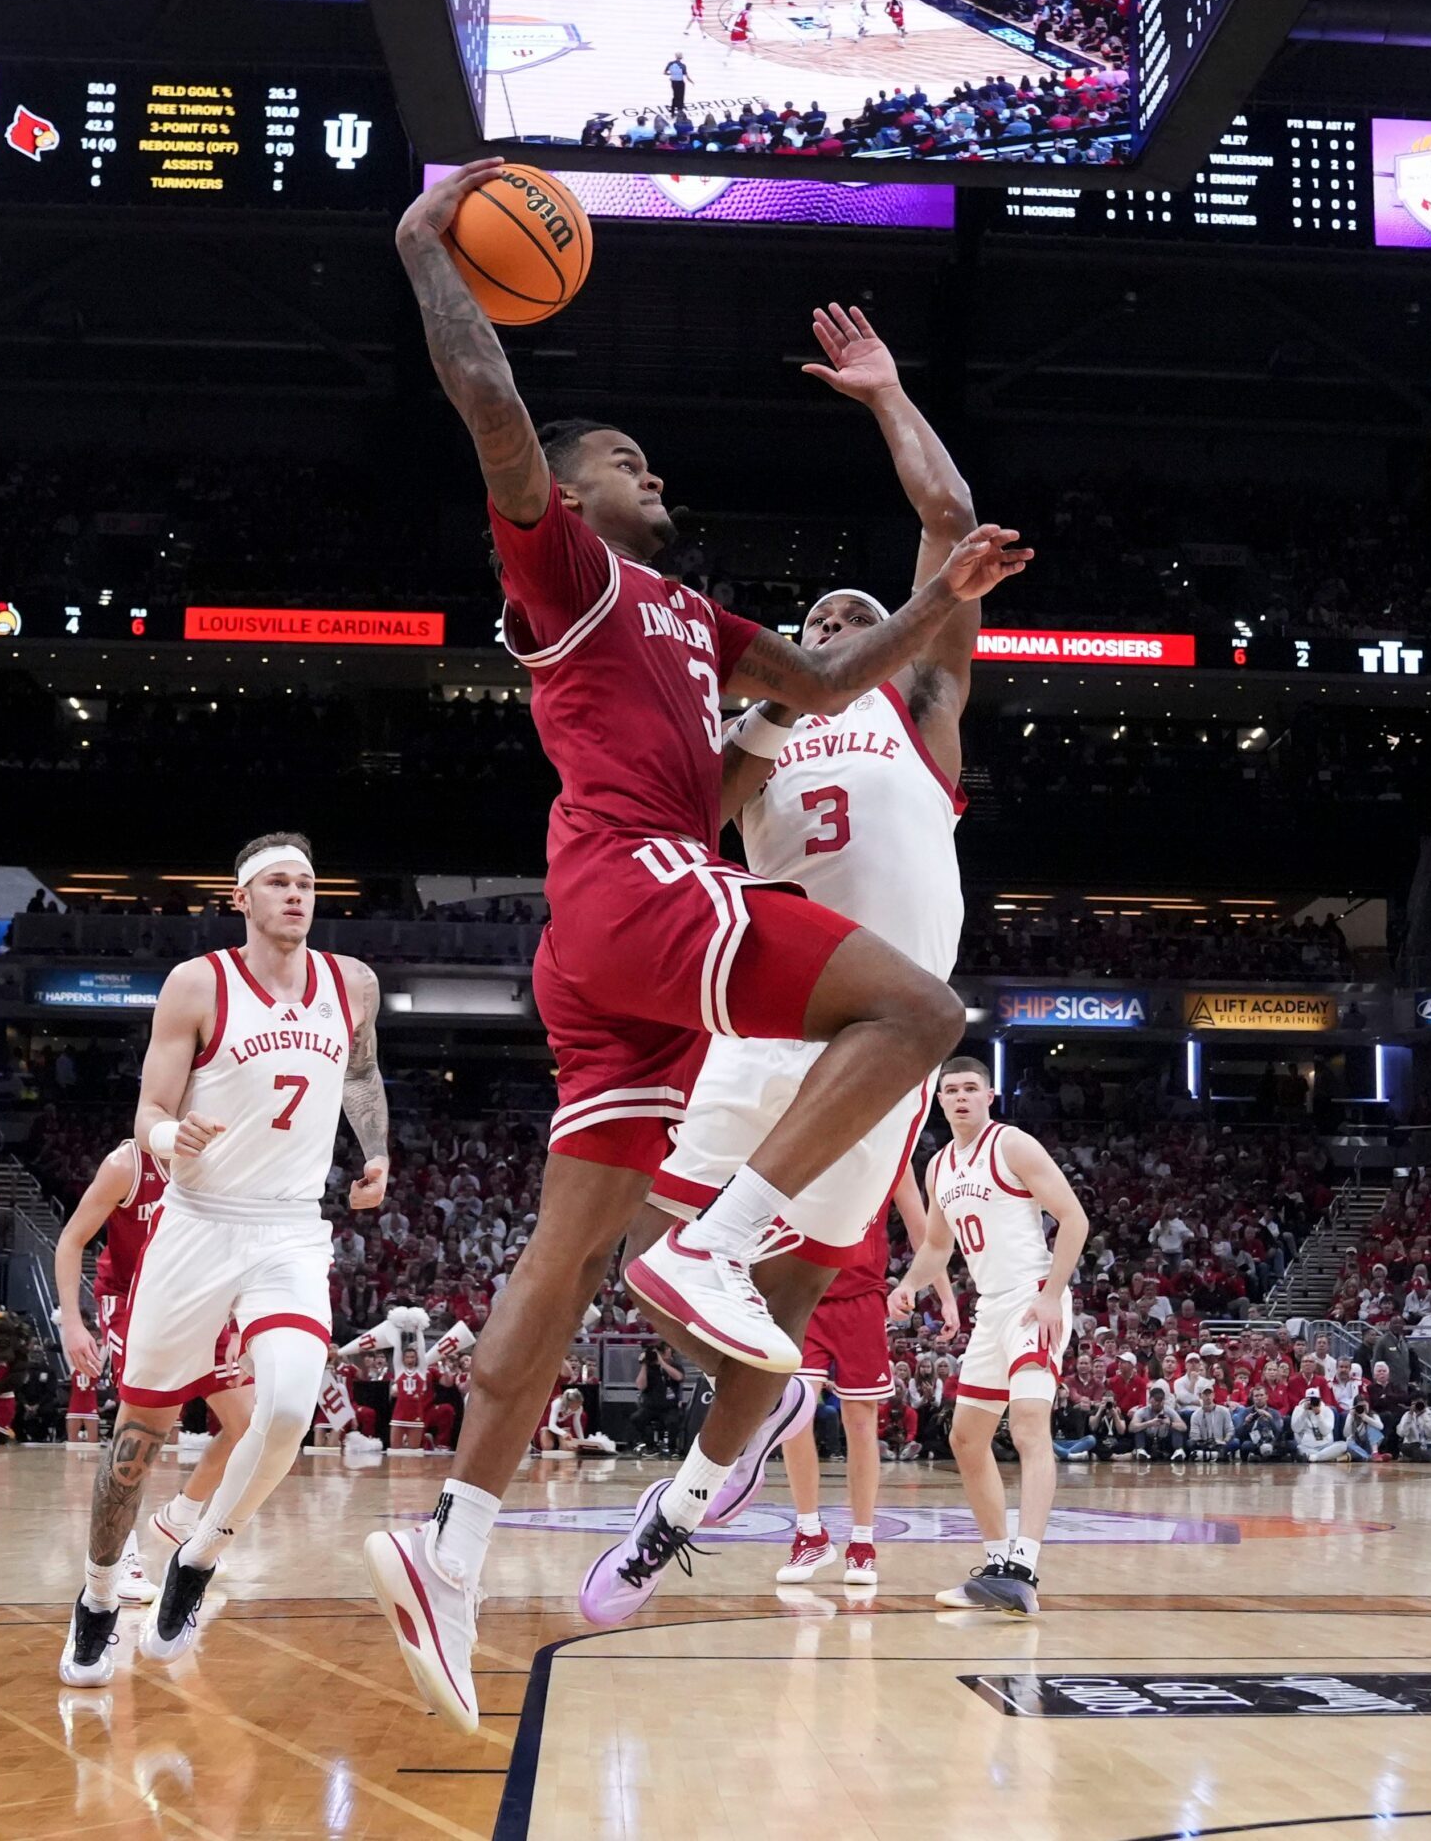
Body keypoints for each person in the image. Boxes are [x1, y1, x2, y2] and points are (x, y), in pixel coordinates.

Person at [369, 164, 1028, 1734]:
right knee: (926, 1011)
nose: (645, 468)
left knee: (566, 1251)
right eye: (623, 458)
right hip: (651, 889)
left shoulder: (715, 627)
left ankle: (449, 1550)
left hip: (633, 951)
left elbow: (822, 670)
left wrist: (938, 591)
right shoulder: (572, 576)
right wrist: (421, 241)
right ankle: (711, 1244)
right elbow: (495, 406)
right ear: (573, 495)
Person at [580, 302, 989, 1620]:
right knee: (652, 1257)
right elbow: (680, 817)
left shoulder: (921, 709)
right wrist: (760, 708)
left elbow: (947, 519)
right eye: (821, 613)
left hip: (885, 1042)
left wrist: (883, 395)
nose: (837, 617)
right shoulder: (761, 737)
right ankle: (726, 1421)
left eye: (862, 612)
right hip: (774, 1005)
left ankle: (678, 1513)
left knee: (793, 1304)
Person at [61, 834, 387, 1689]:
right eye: (277, 883)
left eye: (307, 883)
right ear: (241, 898)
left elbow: (361, 1076)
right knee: (139, 1432)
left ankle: (200, 1556)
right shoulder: (198, 982)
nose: (295, 895)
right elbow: (150, 1110)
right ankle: (98, 1595)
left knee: (284, 1410)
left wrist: (378, 1151)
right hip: (198, 1221)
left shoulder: (352, 984)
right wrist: (173, 1136)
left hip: (289, 1228)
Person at [887, 1057, 1090, 1614]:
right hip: (990, 1309)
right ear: (940, 1100)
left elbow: (1074, 1220)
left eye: (970, 1088)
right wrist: (908, 1285)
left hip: (1031, 1299)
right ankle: (998, 1565)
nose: (959, 1097)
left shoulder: (1013, 1145)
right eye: (950, 1090)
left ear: (990, 1095)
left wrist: (1050, 1294)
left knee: (1028, 1429)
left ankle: (1025, 1565)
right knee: (966, 1440)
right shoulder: (938, 1167)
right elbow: (935, 1246)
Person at [52, 1137, 258, 1606]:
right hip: (132, 1301)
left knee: (249, 1425)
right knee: (139, 1434)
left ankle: (181, 1519)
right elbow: (71, 1239)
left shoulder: (219, 1163)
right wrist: (72, 1323)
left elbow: (239, 1249)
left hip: (200, 1303)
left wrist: (243, 1324)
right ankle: (120, 1557)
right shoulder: (127, 1164)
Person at [774, 1168, 946, 1591]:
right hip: (803, 1293)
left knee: (861, 1421)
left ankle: (863, 1542)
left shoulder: (894, 1153)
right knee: (796, 1411)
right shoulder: (810, 1131)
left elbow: (924, 1230)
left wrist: (941, 1294)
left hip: (863, 1299)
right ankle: (809, 1532)